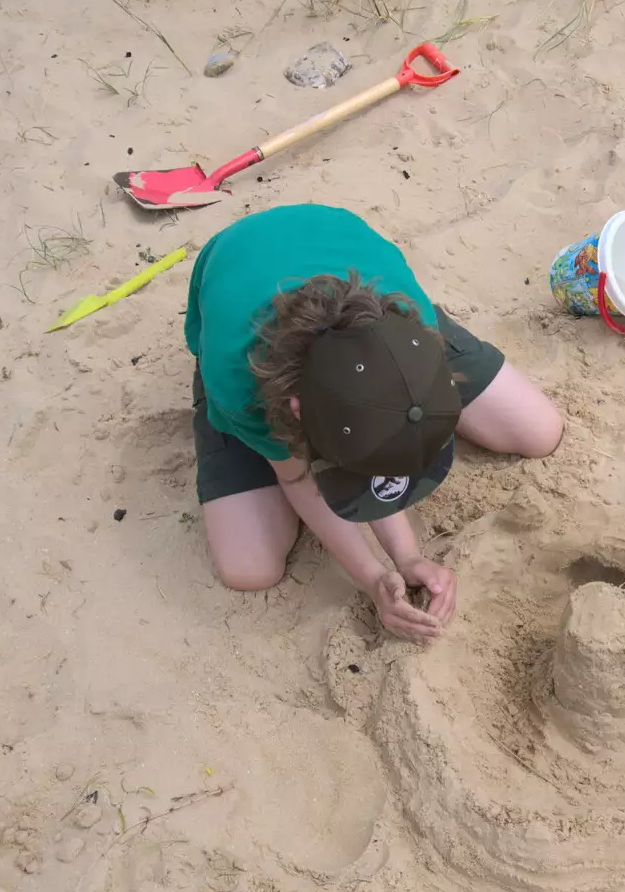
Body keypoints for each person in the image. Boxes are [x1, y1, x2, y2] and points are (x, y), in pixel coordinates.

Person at [184, 203, 562, 641]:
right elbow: (296, 479)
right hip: (238, 300)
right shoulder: (241, 379)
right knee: (250, 566)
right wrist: (373, 577)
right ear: (298, 410)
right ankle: (219, 409)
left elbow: (384, 444)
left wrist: (409, 558)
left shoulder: (411, 318)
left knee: (539, 430)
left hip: (353, 269)